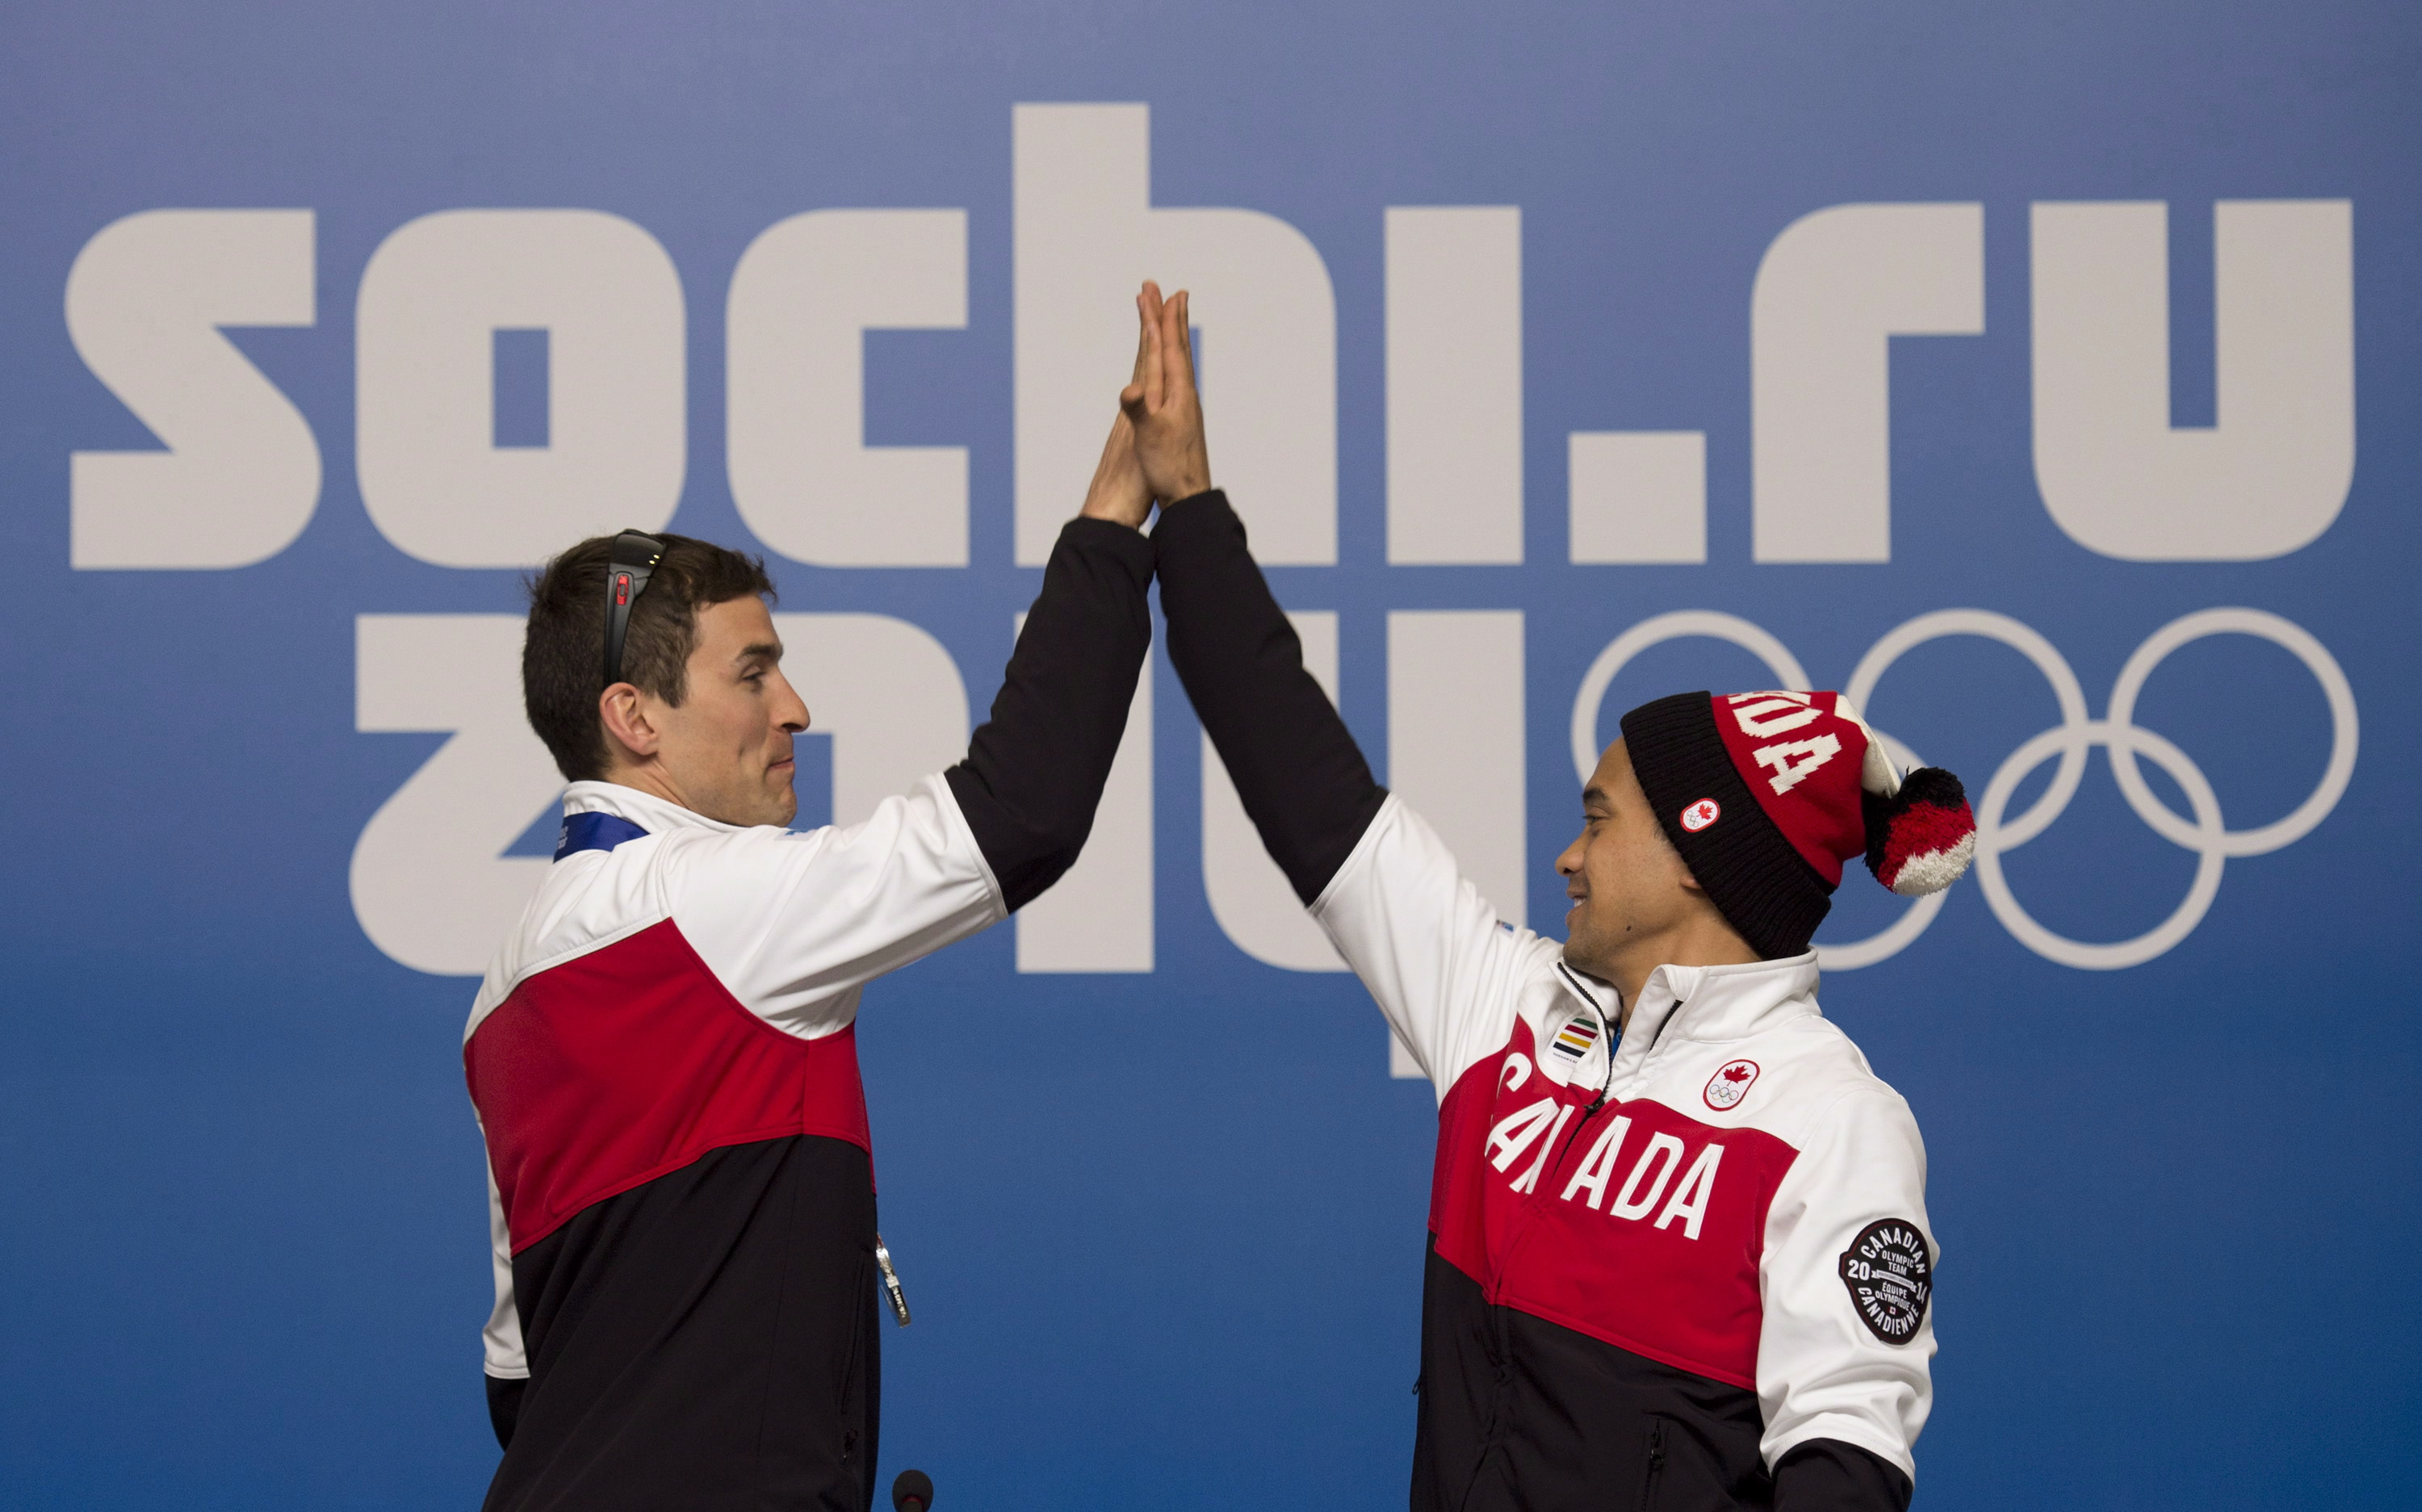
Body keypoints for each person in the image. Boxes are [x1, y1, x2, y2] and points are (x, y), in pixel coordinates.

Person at [1120, 282, 1976, 1512]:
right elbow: (1305, 785)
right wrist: (1190, 508)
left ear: (1699, 855)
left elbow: (1846, 1456)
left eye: (1597, 817)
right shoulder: (1504, 1005)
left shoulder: (1832, 1119)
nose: (1567, 860)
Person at [463, 379, 1159, 1511]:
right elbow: (1024, 810)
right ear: (634, 718)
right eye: (752, 672)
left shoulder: (498, 1000)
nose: (796, 705)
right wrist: (1118, 510)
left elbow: (519, 1378)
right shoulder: (715, 907)